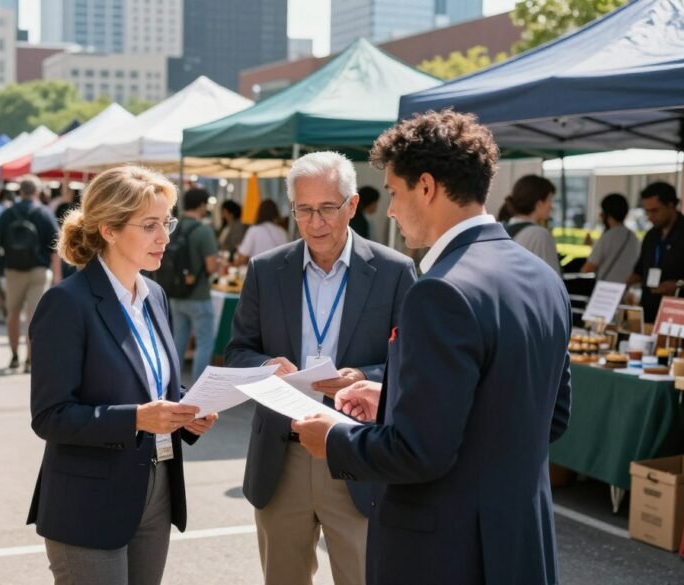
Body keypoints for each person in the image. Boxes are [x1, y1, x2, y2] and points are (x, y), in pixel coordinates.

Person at [291, 111, 572, 585]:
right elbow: (549, 415)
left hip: (446, 551)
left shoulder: (439, 291)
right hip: (521, 539)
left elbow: (420, 453)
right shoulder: (542, 277)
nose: (392, 210)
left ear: (426, 186)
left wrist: (333, 439)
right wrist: (401, 400)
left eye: (396, 193)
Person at [225, 152, 416, 585]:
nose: (315, 223)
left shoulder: (394, 271)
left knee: (362, 575)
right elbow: (238, 351)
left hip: (356, 448)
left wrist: (363, 377)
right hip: (281, 451)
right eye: (304, 210)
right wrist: (264, 365)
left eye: (327, 208)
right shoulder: (266, 269)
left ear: (351, 205)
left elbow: (413, 361)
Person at [28, 165, 219, 585]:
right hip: (88, 500)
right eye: (150, 225)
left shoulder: (155, 295)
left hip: (157, 487)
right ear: (108, 230)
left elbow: (153, 384)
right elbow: (49, 416)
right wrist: (135, 418)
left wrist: (189, 411)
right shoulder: (66, 303)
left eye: (166, 222)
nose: (165, 237)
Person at [0, 175, 61, 372]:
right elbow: (55, 246)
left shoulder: (8, 213)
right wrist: (57, 275)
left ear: (20, 191)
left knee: (13, 313)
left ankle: (14, 355)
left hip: (14, 270)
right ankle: (31, 359)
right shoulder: (44, 213)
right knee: (34, 317)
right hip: (38, 271)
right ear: (37, 191)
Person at [628, 182, 684, 322]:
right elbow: (640, 271)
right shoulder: (651, 236)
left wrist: (679, 284)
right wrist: (619, 287)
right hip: (647, 313)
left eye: (655, 211)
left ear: (671, 205)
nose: (650, 216)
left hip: (679, 316)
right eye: (647, 211)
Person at [168, 188, 220, 382]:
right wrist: (219, 264)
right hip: (198, 295)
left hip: (175, 293)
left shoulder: (175, 227)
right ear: (201, 205)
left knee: (178, 340)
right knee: (204, 342)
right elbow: (211, 266)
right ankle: (199, 386)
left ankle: (172, 382)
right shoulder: (203, 230)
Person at [505, 175, 561, 275]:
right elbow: (552, 282)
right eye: (549, 200)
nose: (551, 206)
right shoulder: (539, 234)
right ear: (538, 203)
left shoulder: (503, 230)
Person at [581, 193, 640, 284]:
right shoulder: (633, 237)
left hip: (607, 291)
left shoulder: (608, 236)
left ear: (606, 214)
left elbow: (588, 268)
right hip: (626, 291)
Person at [235, 199, 288, 264]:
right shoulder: (282, 232)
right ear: (276, 213)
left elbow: (242, 258)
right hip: (278, 271)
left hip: (258, 271)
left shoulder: (254, 230)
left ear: (259, 213)